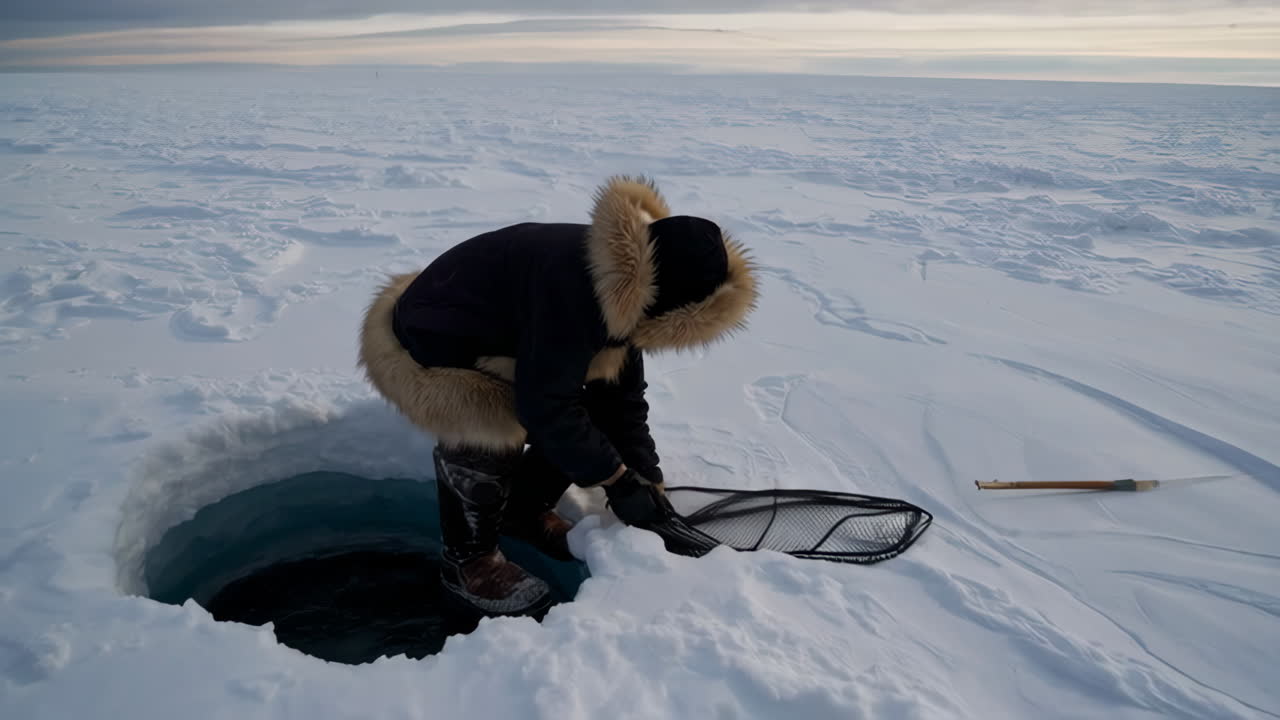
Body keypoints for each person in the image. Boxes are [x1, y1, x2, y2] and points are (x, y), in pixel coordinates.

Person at [358, 176, 759, 616]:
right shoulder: (575, 293)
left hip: (494, 334)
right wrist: (617, 481)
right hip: (424, 350)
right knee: (496, 424)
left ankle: (520, 508)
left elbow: (621, 401)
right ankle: (468, 562)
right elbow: (543, 406)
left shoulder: (626, 281)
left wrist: (645, 476)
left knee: (586, 415)